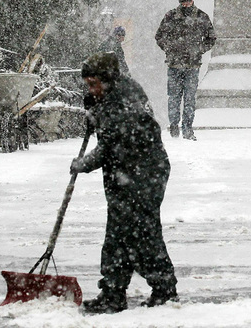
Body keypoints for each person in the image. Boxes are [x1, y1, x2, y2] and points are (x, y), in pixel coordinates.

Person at [70, 52, 178, 315]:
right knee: (118, 235)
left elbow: (110, 146)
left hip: (143, 174)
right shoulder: (112, 94)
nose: (91, 89)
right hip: (127, 173)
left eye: (94, 83)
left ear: (107, 80)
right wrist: (94, 107)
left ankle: (163, 289)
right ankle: (113, 293)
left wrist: (82, 164)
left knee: (142, 234)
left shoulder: (122, 101)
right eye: (88, 84)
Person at [155, 0, 216, 141]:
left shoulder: (201, 17)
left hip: (192, 65)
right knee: (174, 97)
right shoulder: (170, 16)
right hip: (175, 64)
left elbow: (211, 37)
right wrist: (169, 48)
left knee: (189, 98)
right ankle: (174, 125)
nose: (185, 3)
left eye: (187, 0)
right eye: (183, 0)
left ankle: (187, 128)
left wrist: (199, 49)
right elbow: (159, 36)